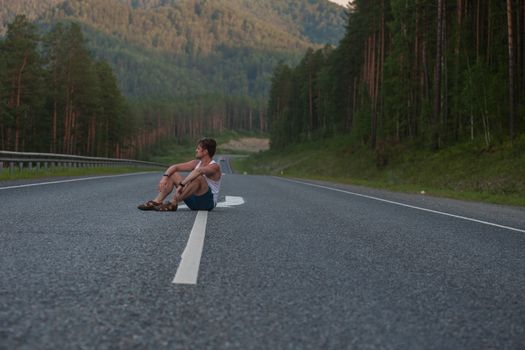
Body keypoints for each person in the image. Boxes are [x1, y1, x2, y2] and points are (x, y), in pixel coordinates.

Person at [138, 138, 221, 212]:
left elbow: (198, 171)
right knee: (173, 174)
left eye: (198, 148)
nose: (196, 150)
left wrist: (182, 185)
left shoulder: (214, 166)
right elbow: (174, 167)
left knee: (198, 178)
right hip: (193, 202)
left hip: (206, 203)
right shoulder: (195, 163)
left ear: (205, 151)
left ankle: (173, 203)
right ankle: (157, 202)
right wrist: (165, 177)